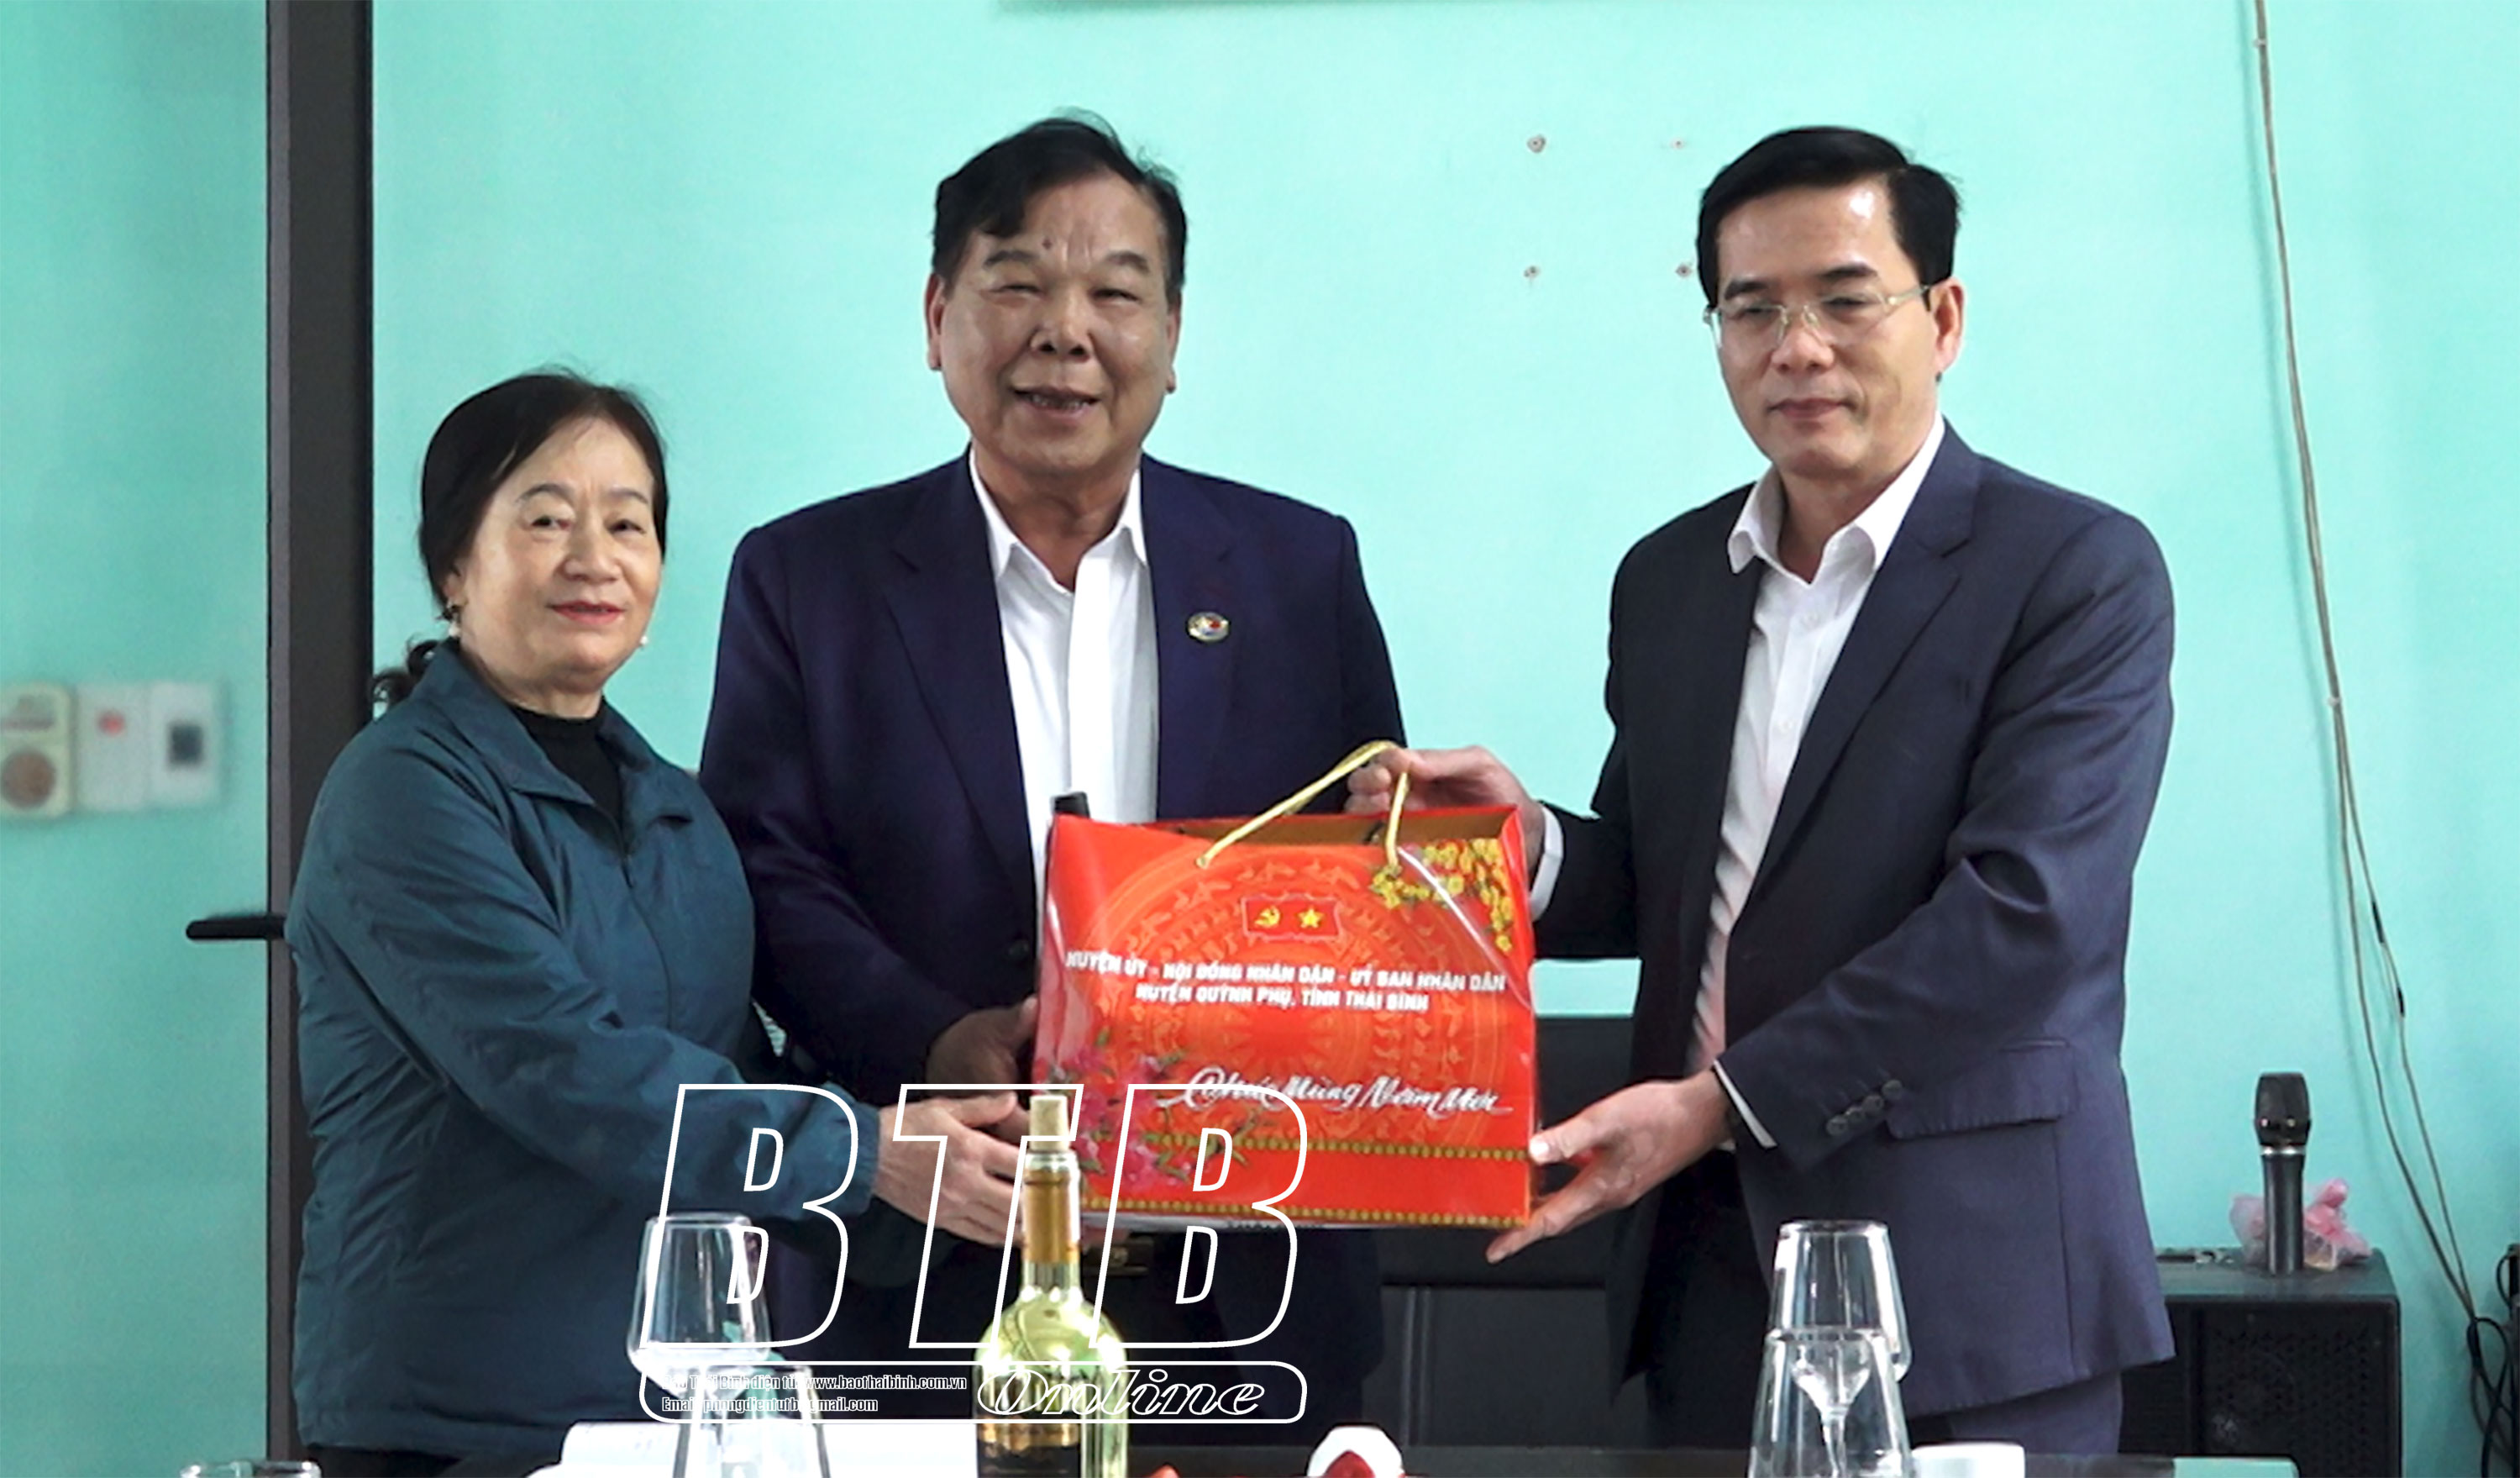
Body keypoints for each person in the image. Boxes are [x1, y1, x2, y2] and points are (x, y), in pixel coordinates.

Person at [1351, 127, 2176, 1454]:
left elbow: (2024, 917)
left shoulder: (2074, 571)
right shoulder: (1671, 580)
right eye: (1753, 310)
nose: (1798, 349)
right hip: (1708, 1266)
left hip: (1972, 1277)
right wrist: (1524, 847)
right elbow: (1671, 882)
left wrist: (1717, 1106)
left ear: (1943, 318)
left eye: (1846, 300)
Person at [700, 115, 1400, 1439]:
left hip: (1249, 1283)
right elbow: (764, 872)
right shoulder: (808, 578)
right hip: (923, 1264)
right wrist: (938, 1038)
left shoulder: (1299, 572)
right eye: (1017, 284)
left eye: (1116, 294)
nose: (1065, 334)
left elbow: (1361, 882)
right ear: (938, 318)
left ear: (1173, 337)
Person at [287, 373, 1021, 1476]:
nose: (595, 558)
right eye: (546, 520)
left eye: (628, 524)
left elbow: (732, 1074)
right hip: (455, 1418)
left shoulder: (677, 806)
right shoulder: (403, 793)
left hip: (674, 1414)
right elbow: (564, 1067)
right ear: (452, 569)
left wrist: (986, 1177)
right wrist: (868, 1154)